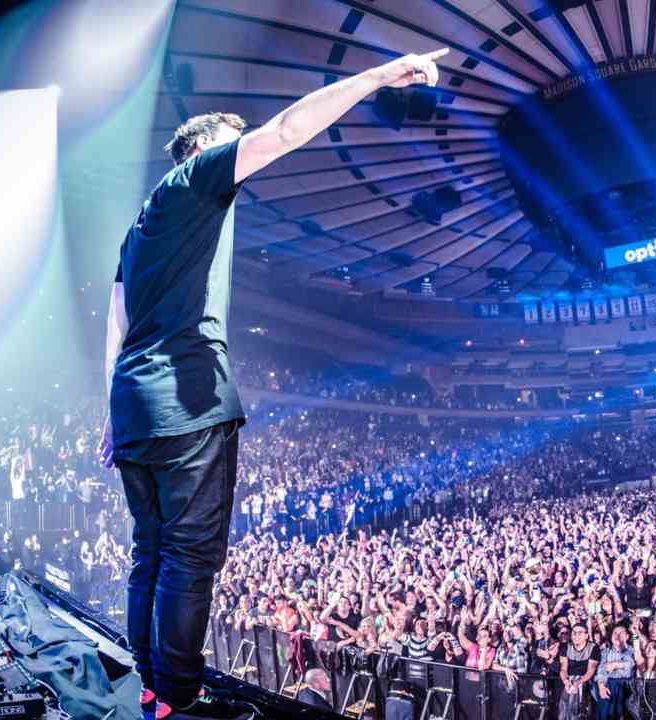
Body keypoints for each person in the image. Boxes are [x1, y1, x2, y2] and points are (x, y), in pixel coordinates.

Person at [96, 45, 450, 720]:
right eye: (233, 148)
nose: (244, 161)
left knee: (153, 549)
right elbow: (284, 133)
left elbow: (114, 320)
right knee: (191, 554)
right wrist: (378, 76)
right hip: (184, 401)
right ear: (203, 148)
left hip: (137, 402)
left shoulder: (142, 227)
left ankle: (152, 683)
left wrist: (111, 409)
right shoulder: (196, 178)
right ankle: (177, 694)